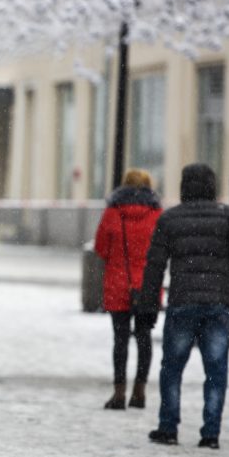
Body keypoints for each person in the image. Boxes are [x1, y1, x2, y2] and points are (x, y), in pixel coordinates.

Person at [139, 164, 229, 449]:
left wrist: (147, 304)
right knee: (216, 370)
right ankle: (211, 432)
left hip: (183, 300)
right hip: (218, 303)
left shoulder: (170, 219)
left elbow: (154, 266)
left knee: (172, 367)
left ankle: (168, 426)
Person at [92, 169, 162, 410]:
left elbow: (100, 247)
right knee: (144, 338)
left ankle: (119, 393)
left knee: (120, 339)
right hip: (148, 286)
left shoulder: (112, 213)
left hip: (118, 282)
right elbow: (162, 250)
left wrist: (118, 260)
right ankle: (139, 392)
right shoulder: (156, 214)